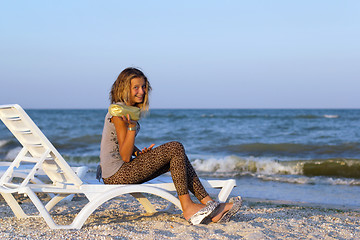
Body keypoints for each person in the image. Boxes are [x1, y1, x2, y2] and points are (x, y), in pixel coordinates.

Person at [99, 67, 241, 225]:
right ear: (125, 88)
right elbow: (124, 157)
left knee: (177, 158)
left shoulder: (126, 111)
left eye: (144, 87)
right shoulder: (119, 112)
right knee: (175, 147)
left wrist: (139, 153)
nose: (142, 91)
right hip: (116, 176)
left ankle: (211, 205)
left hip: (119, 172)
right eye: (136, 87)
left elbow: (120, 144)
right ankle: (187, 208)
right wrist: (132, 128)